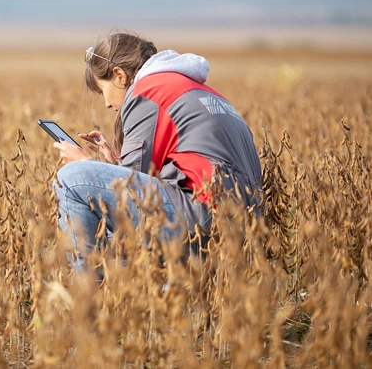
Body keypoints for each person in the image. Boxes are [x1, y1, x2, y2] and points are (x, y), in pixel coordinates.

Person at [52, 32, 261, 271]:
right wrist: (111, 163)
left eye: (102, 91)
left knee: (70, 180)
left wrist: (85, 164)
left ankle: (88, 298)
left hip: (205, 223)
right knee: (108, 244)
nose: (107, 104)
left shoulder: (148, 91)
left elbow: (128, 200)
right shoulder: (193, 89)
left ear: (119, 76)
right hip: (243, 231)